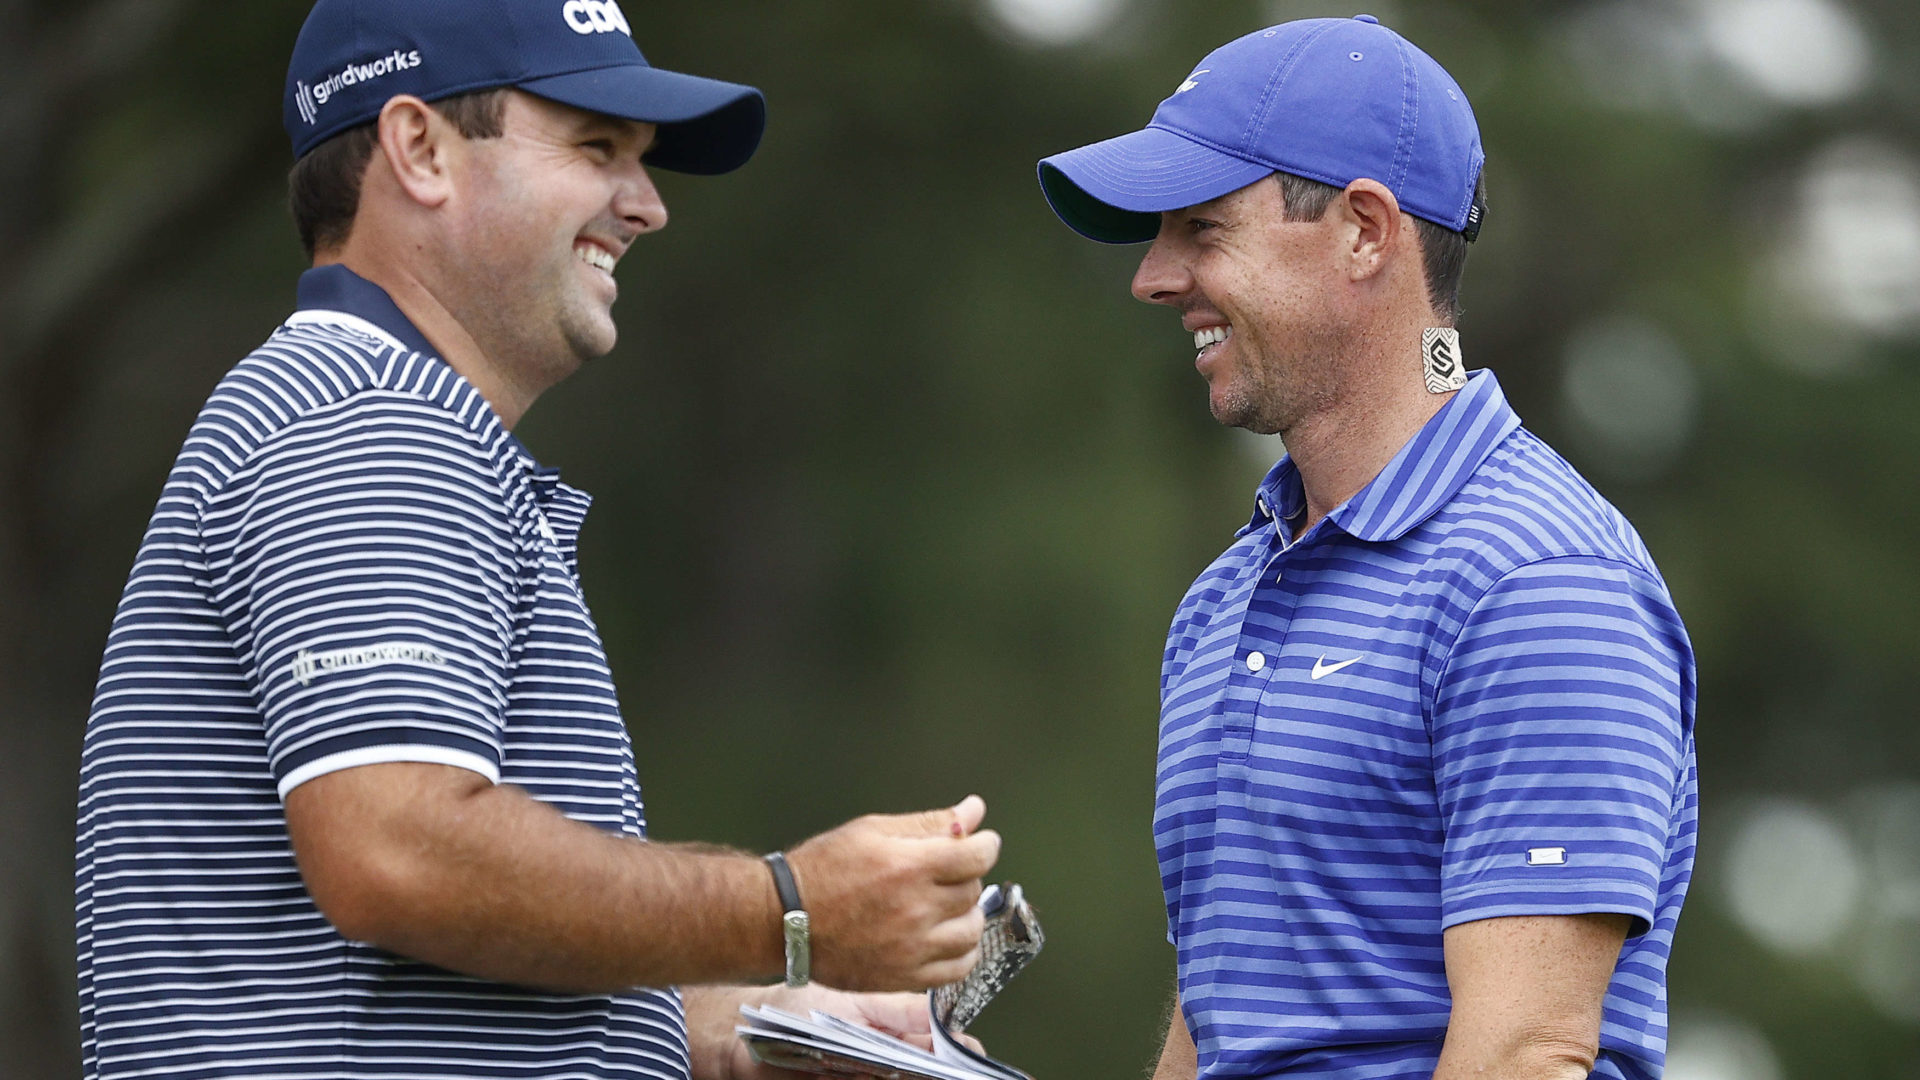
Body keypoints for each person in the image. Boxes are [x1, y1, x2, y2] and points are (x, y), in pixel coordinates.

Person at [75, 3, 999, 1079]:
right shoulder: (371, 423)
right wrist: (791, 909)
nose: (648, 205)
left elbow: (400, 950)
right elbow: (395, 851)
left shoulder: (381, 420)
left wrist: (741, 1028)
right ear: (420, 149)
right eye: (597, 147)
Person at [1036, 15, 1696, 1080]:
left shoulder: (1539, 583)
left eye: (1202, 229)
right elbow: (1229, 1023)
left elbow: (1525, 1054)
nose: (1153, 277)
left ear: (1364, 231)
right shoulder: (1225, 594)